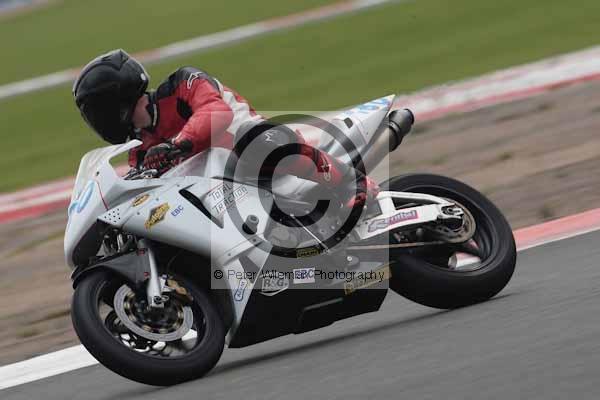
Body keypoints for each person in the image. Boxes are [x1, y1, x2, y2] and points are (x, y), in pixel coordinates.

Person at [72, 49, 378, 207]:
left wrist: (177, 144)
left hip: (262, 153)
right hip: (225, 195)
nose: (96, 122)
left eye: (96, 112)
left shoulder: (183, 83)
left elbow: (216, 113)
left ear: (114, 102)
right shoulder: (139, 152)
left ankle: (352, 182)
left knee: (253, 141)